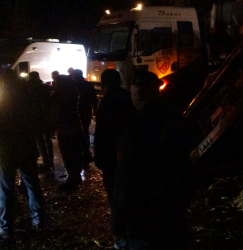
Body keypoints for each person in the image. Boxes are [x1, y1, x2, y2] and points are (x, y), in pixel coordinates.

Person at [114, 71, 190, 249]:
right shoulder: (176, 121)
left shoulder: (133, 128)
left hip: (143, 220)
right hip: (173, 215)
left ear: (137, 95)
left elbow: (126, 178)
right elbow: (186, 168)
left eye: (134, 94)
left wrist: (117, 221)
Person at [0, 70, 45, 241]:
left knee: (6, 189)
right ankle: (40, 222)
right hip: (27, 147)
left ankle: (6, 228)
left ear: (2, 81)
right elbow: (40, 121)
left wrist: (0, 130)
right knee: (33, 185)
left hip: (6, 149)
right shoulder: (28, 97)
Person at [93, 69, 136, 249]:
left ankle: (122, 236)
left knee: (116, 197)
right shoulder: (130, 99)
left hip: (112, 159)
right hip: (131, 157)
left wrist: (100, 159)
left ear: (104, 84)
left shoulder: (107, 103)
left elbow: (102, 135)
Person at [51, 74, 83, 191]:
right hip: (75, 127)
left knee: (68, 154)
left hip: (65, 129)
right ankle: (76, 175)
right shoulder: (73, 93)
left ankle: (73, 178)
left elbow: (56, 112)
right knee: (75, 153)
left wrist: (53, 126)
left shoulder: (59, 96)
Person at [25, 71, 54, 173]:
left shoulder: (27, 89)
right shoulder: (45, 88)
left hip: (35, 117)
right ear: (38, 77)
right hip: (46, 116)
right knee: (47, 139)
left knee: (39, 140)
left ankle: (45, 161)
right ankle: (50, 161)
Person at [72, 69, 97, 165]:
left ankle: (82, 153)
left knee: (78, 132)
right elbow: (93, 99)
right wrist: (94, 110)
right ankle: (85, 153)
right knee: (85, 131)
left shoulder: (73, 85)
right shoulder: (88, 85)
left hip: (77, 111)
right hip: (86, 111)